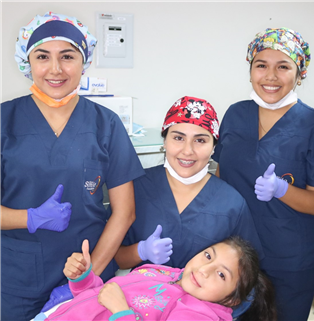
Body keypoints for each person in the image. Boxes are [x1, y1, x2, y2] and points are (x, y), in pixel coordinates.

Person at [0, 12, 145, 319]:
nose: (55, 69)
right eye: (42, 56)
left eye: (67, 56)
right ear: (28, 62)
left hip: (88, 273)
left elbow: (124, 211)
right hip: (17, 277)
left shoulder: (106, 124)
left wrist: (88, 275)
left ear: (83, 62)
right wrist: (30, 218)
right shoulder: (4, 121)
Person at [212, 28, 314, 321]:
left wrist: (282, 190)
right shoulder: (235, 114)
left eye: (283, 66)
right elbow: (220, 178)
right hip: (233, 252)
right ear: (250, 70)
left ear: (300, 73)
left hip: (288, 257)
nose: (270, 76)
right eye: (261, 65)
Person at [114, 96, 264, 273]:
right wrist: (140, 251)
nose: (187, 150)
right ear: (165, 141)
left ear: (214, 147)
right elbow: (114, 257)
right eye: (178, 138)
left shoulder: (231, 204)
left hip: (203, 301)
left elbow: (245, 272)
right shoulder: (136, 187)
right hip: (142, 298)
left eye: (200, 140)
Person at [33, 236, 276, 321]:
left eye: (222, 274)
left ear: (232, 300)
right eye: (208, 255)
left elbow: (115, 304)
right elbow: (104, 296)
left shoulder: (198, 314)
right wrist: (84, 278)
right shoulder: (161, 272)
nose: (204, 269)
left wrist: (121, 311)